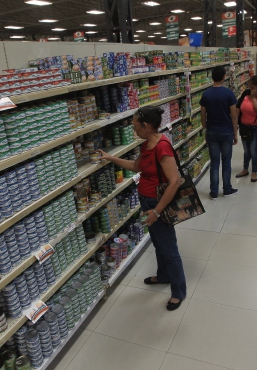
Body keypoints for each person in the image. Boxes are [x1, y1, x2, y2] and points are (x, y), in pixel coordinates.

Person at [98, 106, 186, 311]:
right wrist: (111, 158)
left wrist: (156, 212)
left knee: (169, 248)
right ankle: (163, 275)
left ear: (146, 126)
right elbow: (136, 167)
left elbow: (173, 182)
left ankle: (178, 291)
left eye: (135, 126)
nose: (134, 130)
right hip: (148, 203)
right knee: (158, 242)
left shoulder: (162, 146)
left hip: (158, 205)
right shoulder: (147, 144)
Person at [200, 65, 239, 199]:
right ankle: (227, 189)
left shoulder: (206, 94)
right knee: (226, 162)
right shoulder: (229, 93)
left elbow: (202, 115)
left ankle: (214, 192)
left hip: (212, 132)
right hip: (227, 131)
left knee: (214, 162)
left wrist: (206, 128)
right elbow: (233, 115)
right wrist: (235, 133)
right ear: (224, 77)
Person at [235, 76, 257, 182]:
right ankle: (245, 169)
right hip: (244, 126)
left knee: (253, 150)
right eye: (250, 86)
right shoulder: (246, 93)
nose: (251, 89)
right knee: (246, 150)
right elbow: (238, 107)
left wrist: (253, 98)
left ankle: (254, 171)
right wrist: (235, 124)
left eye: (253, 87)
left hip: (256, 127)